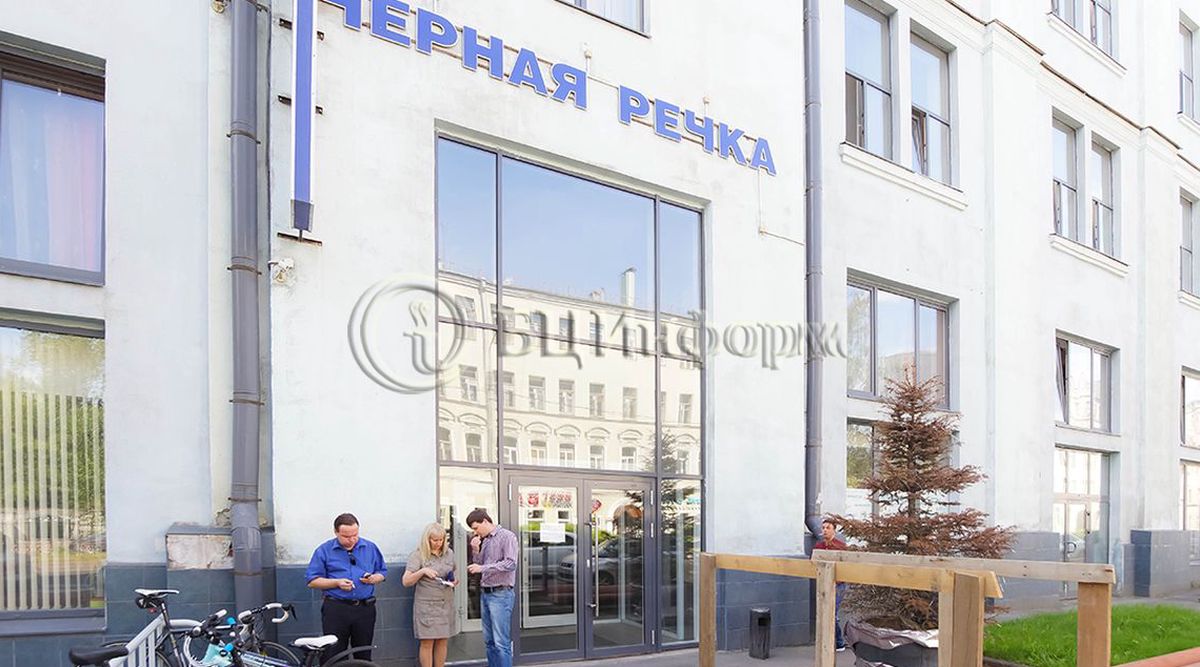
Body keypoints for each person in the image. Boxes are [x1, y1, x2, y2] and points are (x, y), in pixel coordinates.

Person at [305, 513, 387, 664]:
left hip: (365, 609)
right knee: (334, 654)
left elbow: (382, 572)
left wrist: (375, 578)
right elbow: (312, 581)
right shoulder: (324, 550)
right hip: (336, 608)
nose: (352, 539)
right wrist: (336, 583)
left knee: (363, 653)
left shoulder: (370, 548)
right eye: (346, 536)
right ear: (336, 532)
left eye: (355, 535)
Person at [465, 508, 517, 667]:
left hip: (501, 593)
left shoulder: (507, 536)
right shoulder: (485, 540)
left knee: (501, 642)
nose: (475, 532)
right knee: (489, 641)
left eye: (476, 528)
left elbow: (511, 563)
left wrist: (482, 568)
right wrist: (476, 550)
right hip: (486, 593)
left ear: (485, 521)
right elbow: (480, 565)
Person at [403, 523, 459, 667]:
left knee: (442, 640)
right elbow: (406, 581)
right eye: (435, 540)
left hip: (446, 602)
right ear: (427, 539)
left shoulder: (449, 553)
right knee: (427, 642)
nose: (438, 543)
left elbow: (454, 571)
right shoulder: (418, 555)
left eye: (441, 540)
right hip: (427, 605)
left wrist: (454, 580)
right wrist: (422, 571)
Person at [812, 518, 848, 652]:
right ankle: (827, 642)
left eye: (828, 528)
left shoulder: (840, 546)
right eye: (823, 528)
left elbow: (845, 565)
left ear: (834, 530)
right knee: (823, 613)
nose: (825, 530)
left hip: (838, 584)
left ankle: (839, 642)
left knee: (833, 614)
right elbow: (813, 562)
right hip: (823, 583)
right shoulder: (819, 546)